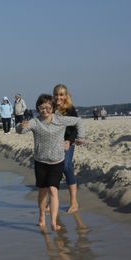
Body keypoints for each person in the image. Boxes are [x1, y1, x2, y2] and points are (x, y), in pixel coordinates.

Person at [16, 94, 85, 231]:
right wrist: (20, 125)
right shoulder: (36, 122)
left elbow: (78, 121)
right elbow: (21, 131)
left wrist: (80, 137)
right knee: (42, 192)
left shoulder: (60, 120)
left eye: (48, 107)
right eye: (42, 108)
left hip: (57, 161)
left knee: (53, 191)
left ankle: (53, 222)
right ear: (38, 108)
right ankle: (42, 216)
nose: (45, 110)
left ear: (53, 108)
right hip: (40, 162)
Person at [53, 84, 80, 213]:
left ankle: (74, 202)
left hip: (67, 143)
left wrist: (69, 141)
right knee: (54, 170)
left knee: (66, 166)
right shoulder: (50, 108)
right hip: (53, 144)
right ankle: (53, 202)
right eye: (57, 94)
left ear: (66, 96)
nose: (59, 97)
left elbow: (75, 128)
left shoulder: (70, 109)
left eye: (61, 94)